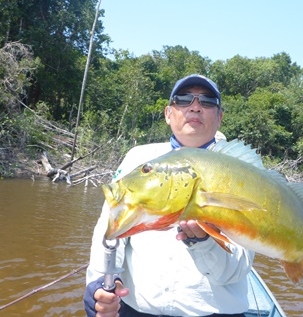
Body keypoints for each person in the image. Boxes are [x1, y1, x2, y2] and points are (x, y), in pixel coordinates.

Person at [84, 74, 255, 317]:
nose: (195, 106)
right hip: (137, 310)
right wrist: (103, 283)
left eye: (207, 102)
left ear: (220, 117)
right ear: (167, 113)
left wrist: (203, 243)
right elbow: (111, 231)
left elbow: (234, 270)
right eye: (184, 99)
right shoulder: (140, 159)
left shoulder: (238, 171)